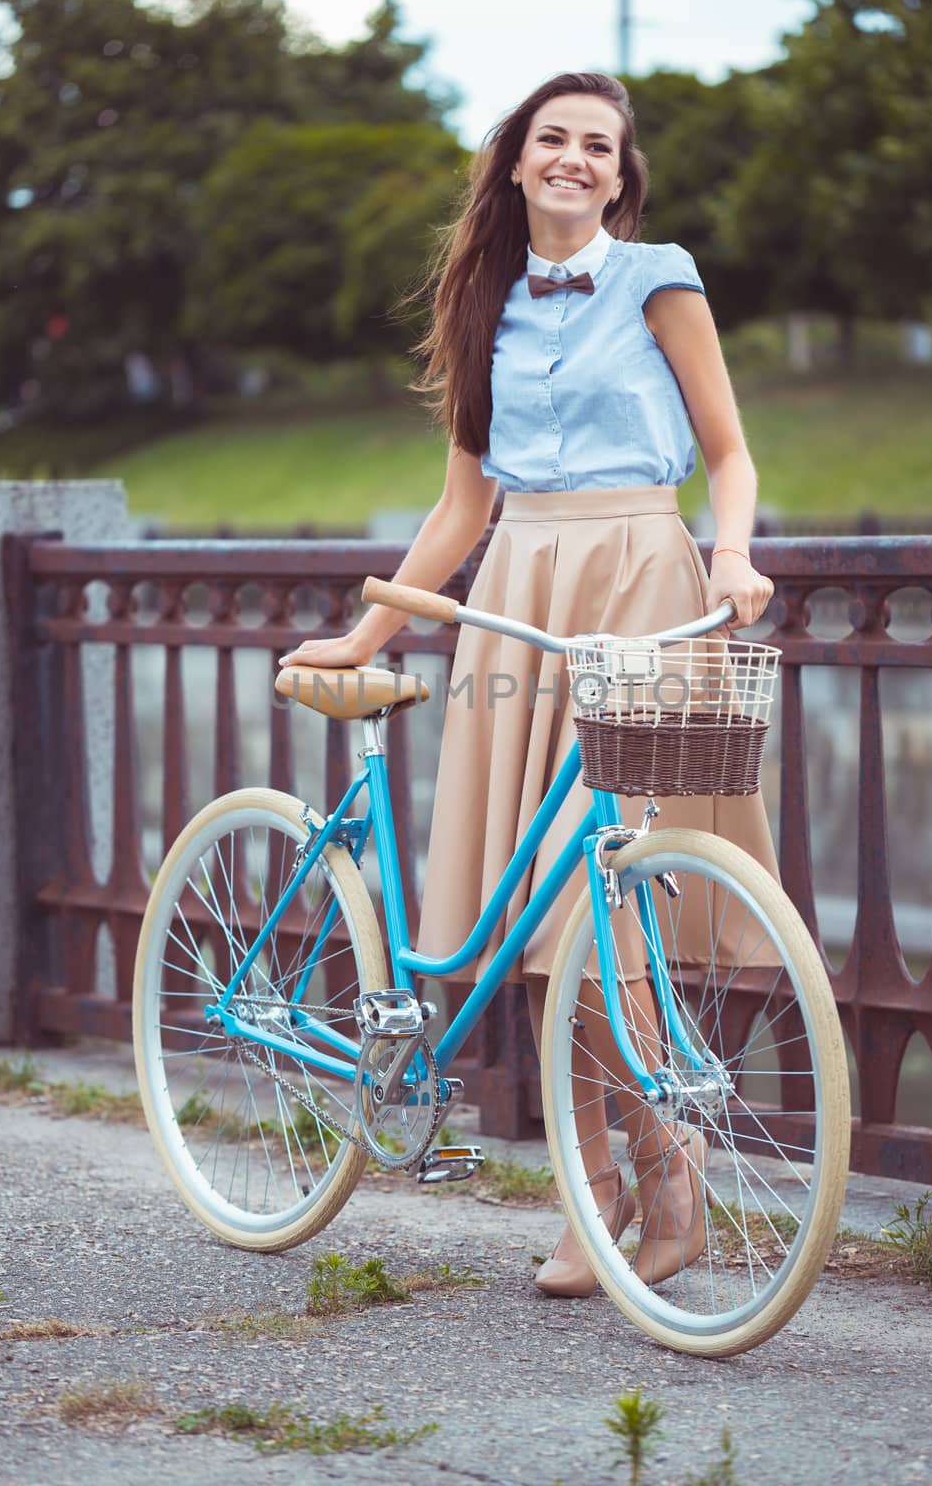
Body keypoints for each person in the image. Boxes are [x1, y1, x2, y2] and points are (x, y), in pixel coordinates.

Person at [280, 70, 777, 1298]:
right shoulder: (481, 307)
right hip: (517, 595)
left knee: (604, 899)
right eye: (551, 139)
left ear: (618, 172)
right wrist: (368, 629)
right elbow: (462, 509)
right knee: (563, 907)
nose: (572, 159)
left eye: (596, 146)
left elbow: (727, 451)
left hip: (645, 582)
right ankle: (611, 1183)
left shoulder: (657, 275)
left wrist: (732, 551)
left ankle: (650, 1174)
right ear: (513, 162)